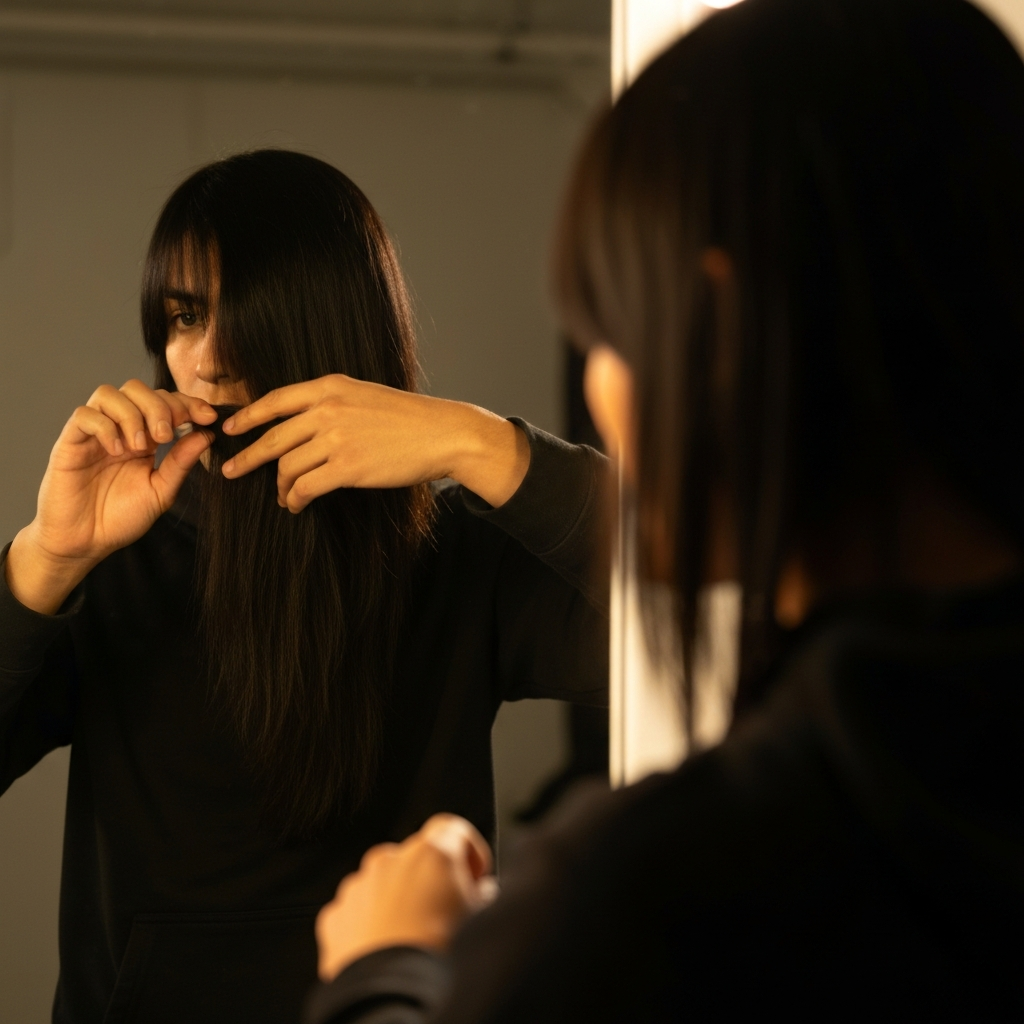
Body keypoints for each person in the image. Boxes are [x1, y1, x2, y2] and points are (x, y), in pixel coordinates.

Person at [307, 0, 1024, 1019]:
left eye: (609, 333)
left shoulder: (660, 901)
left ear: (721, 339)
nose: (601, 387)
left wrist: (388, 973)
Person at [0, 150, 608, 1024]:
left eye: (243, 312)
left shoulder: (458, 561)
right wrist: (46, 560)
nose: (203, 361)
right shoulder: (108, 566)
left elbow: (709, 601)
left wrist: (482, 445)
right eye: (182, 317)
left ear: (328, 317)